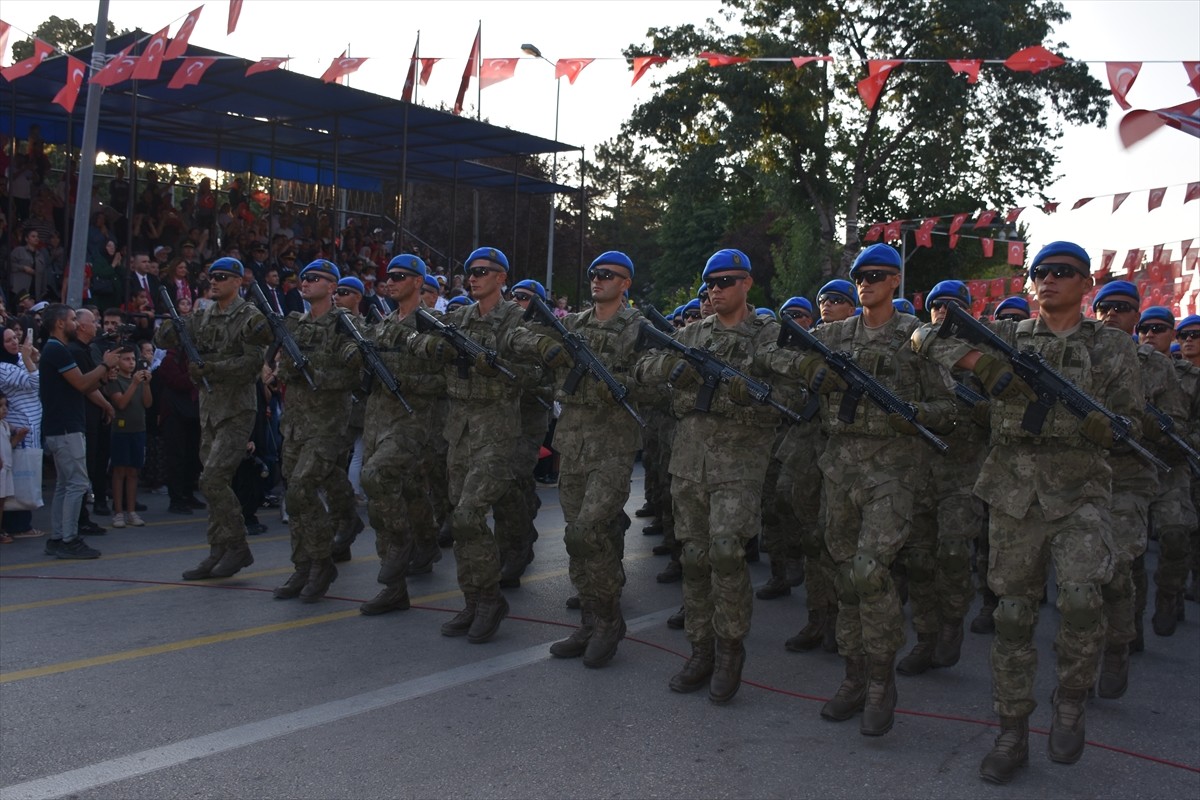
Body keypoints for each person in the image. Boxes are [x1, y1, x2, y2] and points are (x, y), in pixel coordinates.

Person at [920, 241, 1140, 783]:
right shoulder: (1009, 335)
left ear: (1086, 284)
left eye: (1063, 272)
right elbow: (924, 337)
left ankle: (1070, 698)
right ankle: (1012, 731)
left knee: (1084, 601)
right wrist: (981, 364)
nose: (1049, 280)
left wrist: (1106, 428)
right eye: (1040, 272)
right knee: (1013, 617)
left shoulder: (1112, 348)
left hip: (1081, 489)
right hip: (1014, 491)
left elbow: (1131, 422)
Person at [782, 245, 955, 735]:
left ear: (896, 281)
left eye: (877, 275)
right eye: (859, 275)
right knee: (845, 578)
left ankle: (880, 681)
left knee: (869, 571)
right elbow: (772, 350)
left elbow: (950, 408)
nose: (866, 283)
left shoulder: (917, 337)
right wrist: (808, 370)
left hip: (894, 473)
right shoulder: (834, 334)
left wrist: (916, 414)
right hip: (840, 470)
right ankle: (853, 677)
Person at [634, 249, 790, 703]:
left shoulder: (769, 335)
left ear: (747, 284)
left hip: (739, 465)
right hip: (689, 463)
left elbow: (788, 394)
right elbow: (644, 371)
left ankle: (729, 649)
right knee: (695, 559)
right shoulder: (692, 333)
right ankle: (700, 648)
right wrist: (673, 367)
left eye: (725, 281)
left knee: (726, 554)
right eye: (710, 284)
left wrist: (744, 392)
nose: (715, 290)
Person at [409, 246, 570, 643]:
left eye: (482, 271)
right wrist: (437, 347)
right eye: (469, 271)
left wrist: (499, 364)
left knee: (468, 515)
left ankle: (490, 599)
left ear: (502, 278)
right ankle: (474, 598)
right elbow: (417, 342)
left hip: (497, 433)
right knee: (464, 522)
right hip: (459, 432)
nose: (472, 277)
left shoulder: (517, 318)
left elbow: (537, 371)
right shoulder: (457, 317)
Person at [542, 253, 644, 667]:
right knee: (574, 536)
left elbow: (650, 381)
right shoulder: (573, 326)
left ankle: (608, 620)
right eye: (594, 275)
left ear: (626, 284)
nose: (597, 280)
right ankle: (588, 619)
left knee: (590, 532)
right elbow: (551, 375)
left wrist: (617, 382)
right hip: (574, 443)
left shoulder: (641, 329)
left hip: (613, 446)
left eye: (608, 275)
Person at [156, 257, 272, 580]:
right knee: (210, 482)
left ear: (238, 282)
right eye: (211, 278)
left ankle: (237, 545)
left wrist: (211, 368)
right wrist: (174, 324)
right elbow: (163, 340)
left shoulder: (249, 317)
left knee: (213, 479)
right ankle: (217, 549)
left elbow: (252, 365)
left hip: (236, 409)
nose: (214, 282)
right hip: (209, 410)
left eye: (222, 277)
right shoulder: (203, 314)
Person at [897, 280, 987, 676]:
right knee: (918, 559)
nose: (943, 311)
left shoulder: (984, 356)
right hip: (919, 468)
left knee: (952, 555)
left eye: (952, 304)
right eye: (936, 305)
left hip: (963, 472)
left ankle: (951, 622)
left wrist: (987, 411)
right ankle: (925, 636)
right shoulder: (916, 351)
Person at [353, 254, 445, 614]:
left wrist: (407, 382)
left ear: (418, 282)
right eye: (387, 276)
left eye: (399, 276)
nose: (389, 281)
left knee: (374, 477)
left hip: (413, 421)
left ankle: (402, 545)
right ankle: (399, 579)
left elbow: (444, 379)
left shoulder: (433, 323)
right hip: (378, 420)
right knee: (398, 491)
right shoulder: (385, 322)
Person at [269, 259, 360, 602]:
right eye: (303, 278)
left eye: (314, 278)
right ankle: (303, 565)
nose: (304, 283)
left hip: (327, 424)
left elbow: (356, 372)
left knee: (302, 490)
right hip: (294, 424)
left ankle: (322, 562)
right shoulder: (295, 324)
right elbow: (284, 367)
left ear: (332, 287)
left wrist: (317, 376)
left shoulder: (344, 324)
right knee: (294, 495)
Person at [1134, 306, 1197, 640]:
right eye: (1144, 328)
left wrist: (1181, 439)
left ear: (1171, 334)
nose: (1149, 334)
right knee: (1130, 553)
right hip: (1131, 465)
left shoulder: (1191, 377)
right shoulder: (1125, 366)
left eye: (1158, 328)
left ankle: (1169, 594)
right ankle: (1129, 625)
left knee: (1174, 537)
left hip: (1171, 467)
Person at [39, 305, 122, 558]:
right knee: (77, 484)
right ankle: (69, 539)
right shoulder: (57, 350)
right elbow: (82, 382)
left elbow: (82, 386)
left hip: (61, 426)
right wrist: (105, 365)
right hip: (65, 427)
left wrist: (104, 376)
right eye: (73, 319)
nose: (77, 324)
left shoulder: (56, 350)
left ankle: (58, 537)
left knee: (66, 484)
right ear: (61, 323)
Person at [497, 278, 555, 588]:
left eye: (527, 298)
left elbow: (551, 383)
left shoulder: (544, 335)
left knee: (515, 480)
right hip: (501, 418)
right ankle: (515, 538)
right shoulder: (503, 327)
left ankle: (516, 550)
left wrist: (519, 377)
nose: (519, 301)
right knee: (507, 485)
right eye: (516, 295)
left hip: (530, 418)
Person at [0, 327, 44, 539]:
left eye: (15, 338)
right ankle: (17, 525)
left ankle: (22, 523)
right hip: (18, 428)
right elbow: (35, 382)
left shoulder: (18, 357)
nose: (14, 343)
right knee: (17, 478)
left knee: (28, 475)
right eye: (7, 340)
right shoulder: (2, 367)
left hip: (32, 426)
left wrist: (33, 358)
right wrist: (30, 360)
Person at [103, 347, 153, 528]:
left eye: (133, 359)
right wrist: (134, 384)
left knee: (133, 472)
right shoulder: (115, 381)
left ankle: (131, 511)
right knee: (119, 472)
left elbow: (148, 403)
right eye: (126, 359)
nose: (131, 362)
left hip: (139, 430)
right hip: (121, 431)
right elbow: (121, 403)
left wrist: (146, 384)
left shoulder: (140, 380)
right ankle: (118, 512)